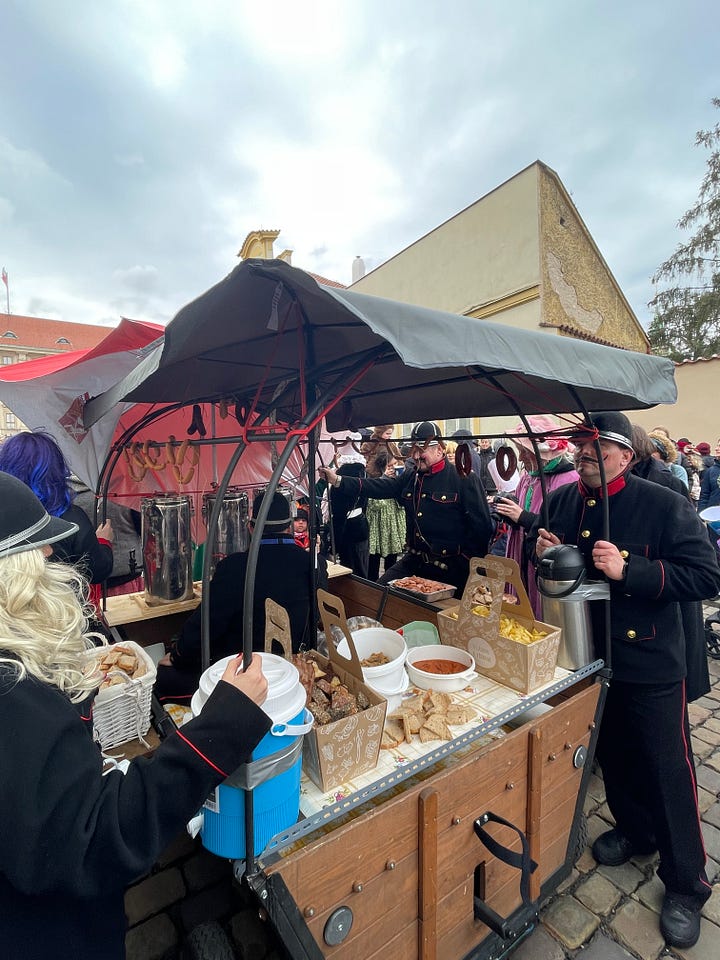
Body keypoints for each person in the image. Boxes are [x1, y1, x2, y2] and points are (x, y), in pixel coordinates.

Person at [0, 471, 271, 960]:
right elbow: (101, 835)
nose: (49, 554)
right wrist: (226, 719)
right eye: (36, 547)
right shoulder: (10, 693)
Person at [532, 411, 720, 950]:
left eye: (598, 446)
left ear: (625, 455)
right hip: (588, 654)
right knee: (612, 754)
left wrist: (629, 569)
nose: (584, 453)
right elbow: (558, 570)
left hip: (650, 659)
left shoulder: (663, 503)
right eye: (580, 445)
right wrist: (545, 552)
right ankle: (637, 830)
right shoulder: (563, 501)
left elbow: (706, 575)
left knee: (667, 768)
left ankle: (686, 883)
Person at [155, 490, 328, 702]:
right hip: (297, 665)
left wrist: (177, 655)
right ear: (290, 527)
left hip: (247, 675)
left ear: (250, 527)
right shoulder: (315, 564)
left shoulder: (234, 567)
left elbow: (205, 625)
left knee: (163, 678)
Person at [320, 421, 494, 593]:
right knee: (377, 595)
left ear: (439, 450)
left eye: (421, 450)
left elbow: (482, 528)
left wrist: (469, 567)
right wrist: (338, 480)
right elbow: (381, 487)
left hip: (451, 567)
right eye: (413, 450)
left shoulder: (464, 478)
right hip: (414, 561)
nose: (416, 456)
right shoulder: (412, 475)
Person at [631, 424, 710, 702]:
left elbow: (695, 554)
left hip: (669, 580)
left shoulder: (667, 482)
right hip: (647, 584)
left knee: (679, 650)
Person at [0, 431, 114, 599]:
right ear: (57, 470)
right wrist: (104, 541)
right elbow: (97, 570)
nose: (48, 551)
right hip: (61, 609)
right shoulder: (72, 518)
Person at [493, 415, 578, 617]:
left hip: (543, 561)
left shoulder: (568, 480)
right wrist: (508, 513)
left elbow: (559, 530)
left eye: (524, 452)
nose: (521, 458)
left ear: (543, 452)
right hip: (521, 553)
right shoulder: (527, 477)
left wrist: (523, 517)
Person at [70, 476, 144, 595]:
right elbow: (145, 529)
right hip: (125, 577)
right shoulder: (124, 488)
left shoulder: (59, 495)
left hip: (81, 583)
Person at [326, 432, 370, 578]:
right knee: (360, 569)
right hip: (359, 525)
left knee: (351, 572)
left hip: (348, 528)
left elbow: (339, 511)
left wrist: (334, 541)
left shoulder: (345, 474)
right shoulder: (362, 472)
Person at [365, 450, 406, 581]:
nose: (393, 468)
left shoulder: (399, 481)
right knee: (374, 560)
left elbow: (403, 502)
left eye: (395, 464)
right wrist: (384, 480)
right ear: (382, 467)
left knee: (392, 561)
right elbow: (375, 505)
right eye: (390, 465)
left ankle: (389, 584)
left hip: (393, 526)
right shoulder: (374, 481)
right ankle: (372, 585)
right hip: (378, 527)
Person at [698, 438, 720, 512]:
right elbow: (704, 496)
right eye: (717, 446)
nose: (716, 449)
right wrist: (701, 514)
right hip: (714, 515)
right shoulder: (711, 471)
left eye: (719, 446)